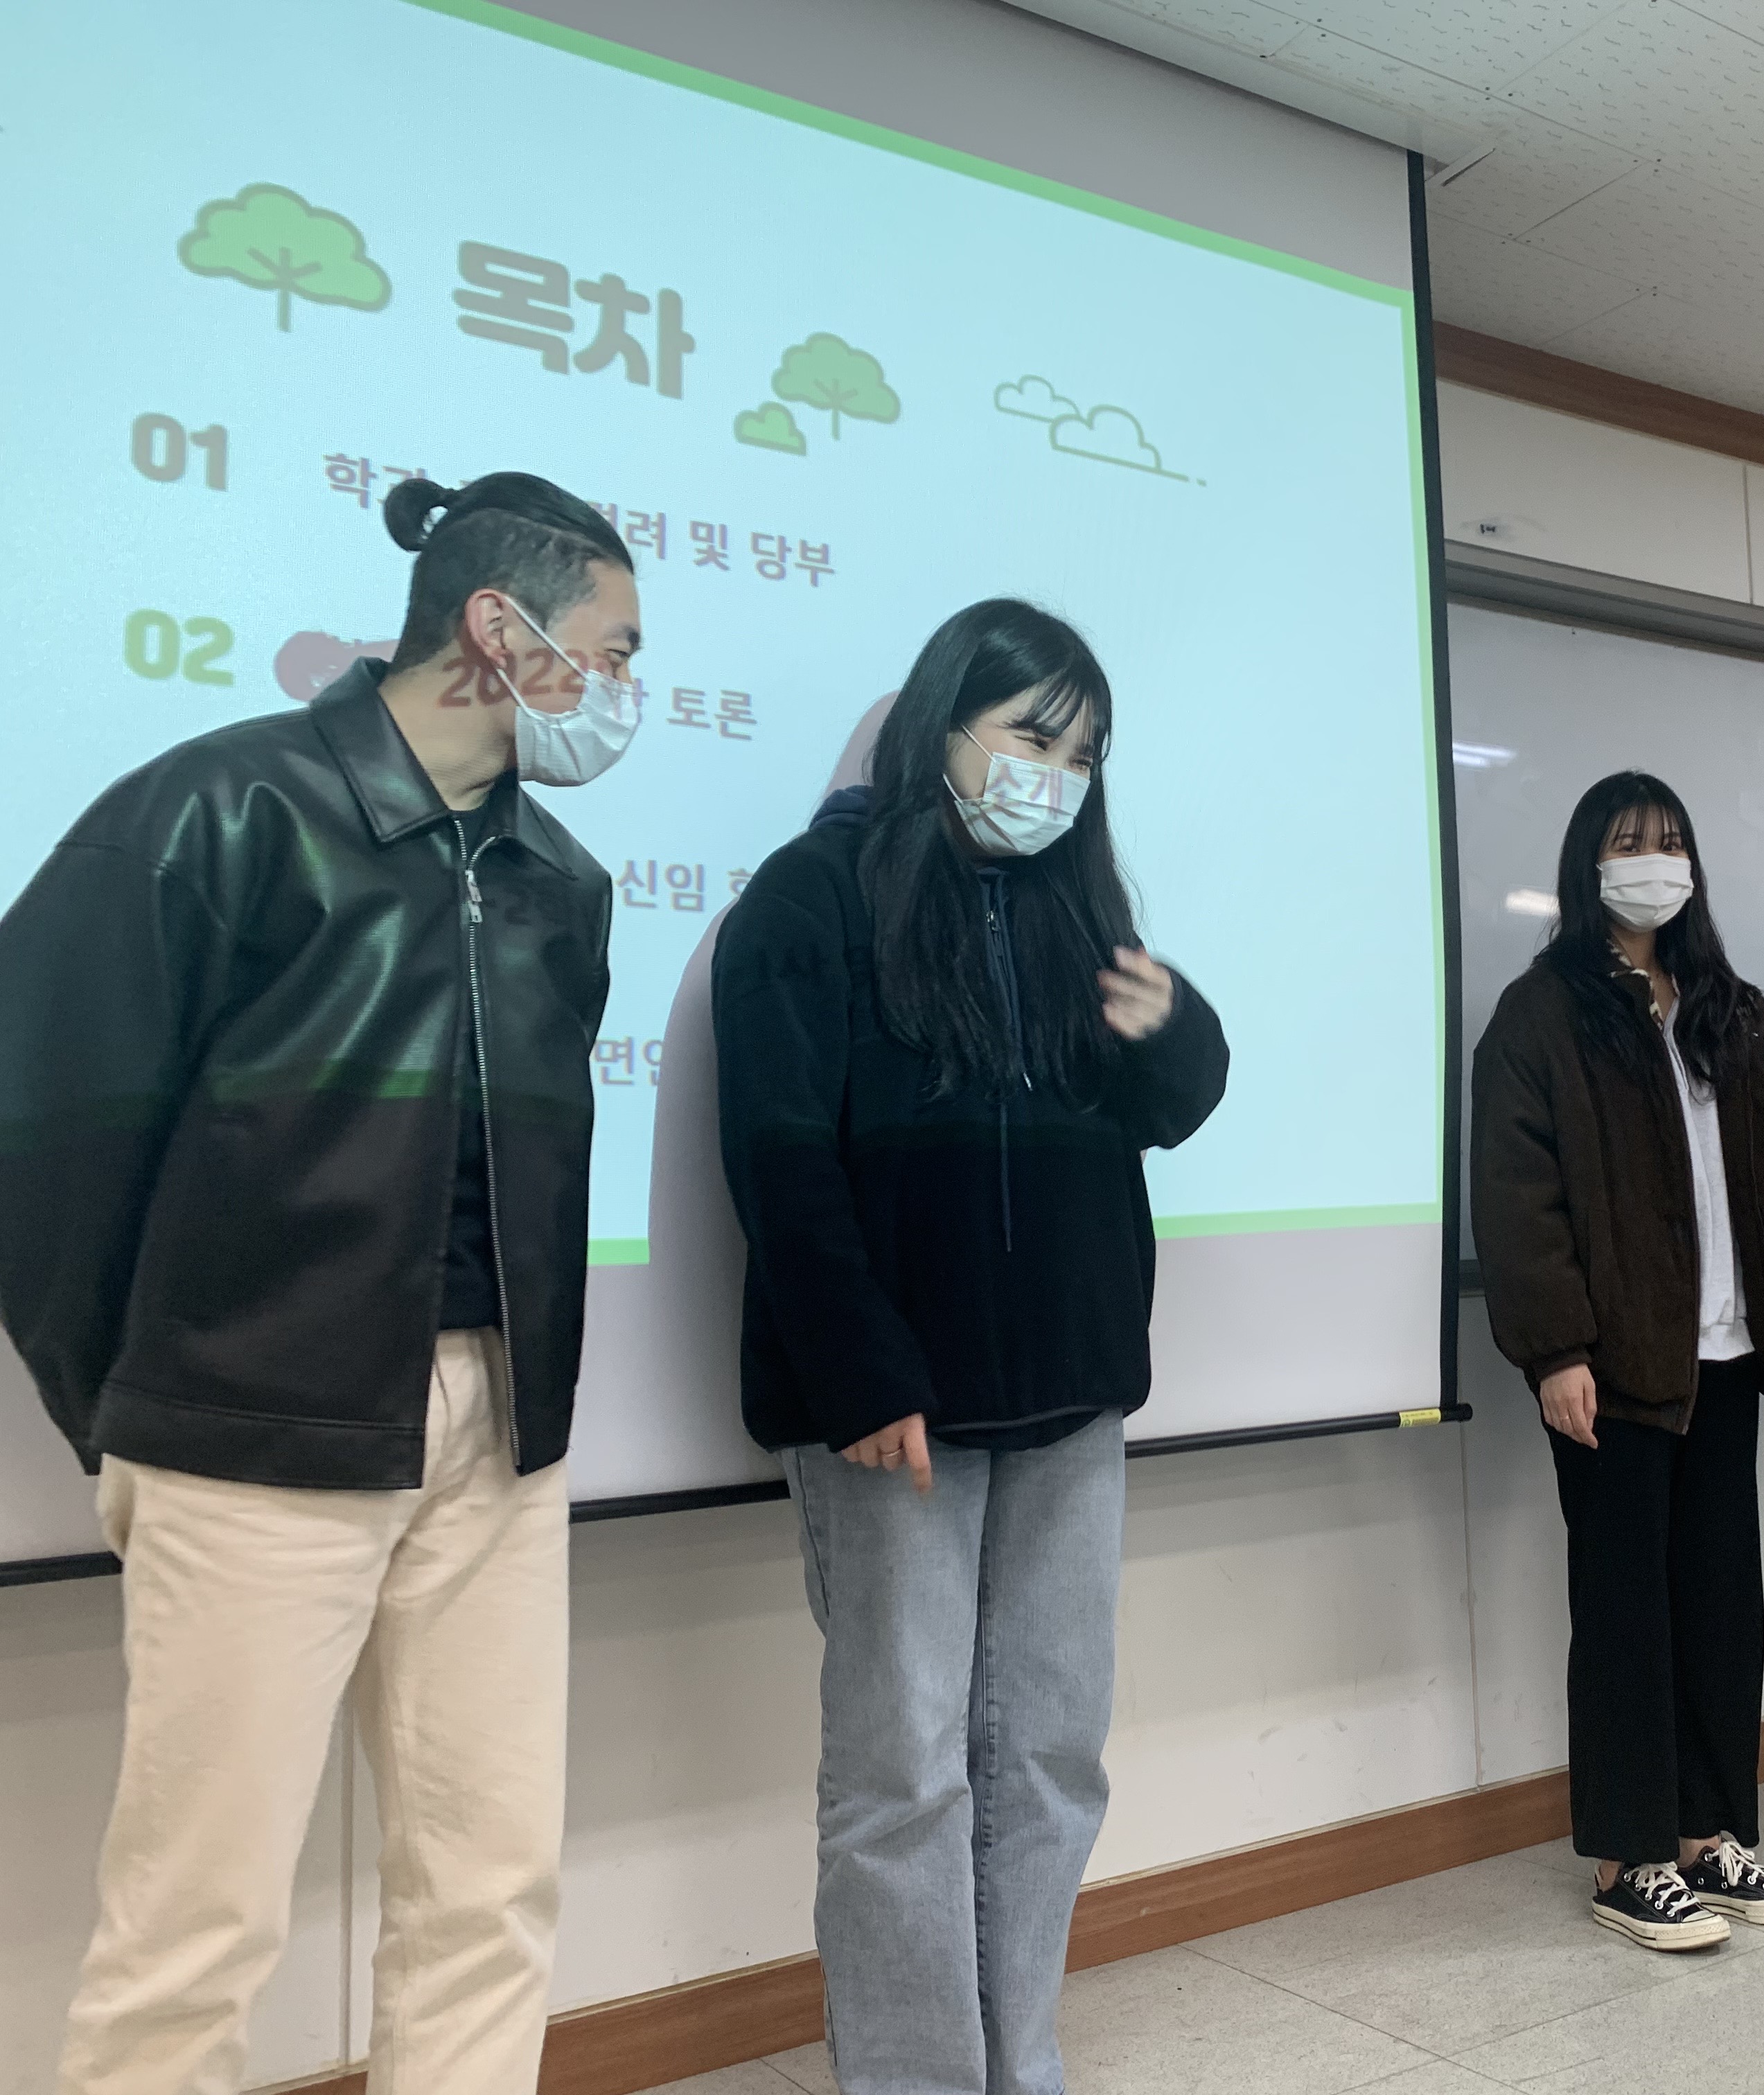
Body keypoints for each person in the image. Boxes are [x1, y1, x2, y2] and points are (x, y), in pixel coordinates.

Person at [0, 472, 641, 2092]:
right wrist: (144, 1406)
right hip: (249, 1430)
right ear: (499, 630)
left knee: (489, 1891)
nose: (627, 689)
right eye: (614, 649)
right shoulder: (215, 813)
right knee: (194, 1929)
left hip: (499, 1439)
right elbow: (38, 1133)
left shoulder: (559, 881)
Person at [712, 599, 1227, 2094]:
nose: (1055, 775)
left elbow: (1172, 1107)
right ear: (941, 725)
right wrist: (862, 1370)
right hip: (895, 1414)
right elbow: (780, 1157)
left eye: (1083, 753)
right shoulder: (813, 896)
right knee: (902, 1773)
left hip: (1070, 1395)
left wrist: (1175, 1028)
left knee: (1052, 1758)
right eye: (1030, 737)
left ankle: (1023, 2064)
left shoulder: (1079, 914)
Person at [1470, 771, 1764, 1952]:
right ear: (1590, 863)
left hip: (1726, 1349)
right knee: (1626, 1608)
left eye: (1671, 841)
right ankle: (1630, 1857)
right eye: (1630, 843)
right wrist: (1555, 1350)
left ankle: (1710, 1835)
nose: (1655, 862)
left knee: (1720, 1600)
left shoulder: (1726, 1004)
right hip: (1614, 1363)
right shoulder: (1544, 1011)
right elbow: (1517, 1194)